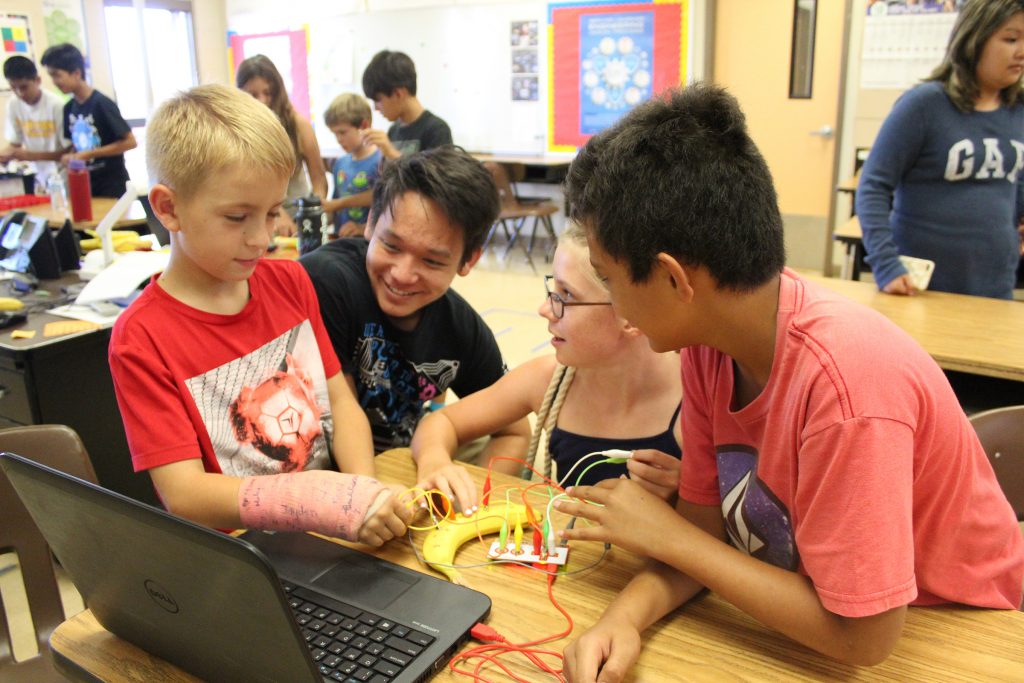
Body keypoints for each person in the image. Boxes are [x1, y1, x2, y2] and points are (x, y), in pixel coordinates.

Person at [553, 83, 1024, 681]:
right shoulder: (707, 344)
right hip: (820, 614)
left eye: (609, 278)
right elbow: (705, 536)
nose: (616, 306)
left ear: (674, 279)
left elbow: (867, 637)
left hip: (958, 637)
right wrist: (623, 617)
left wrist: (669, 538)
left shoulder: (847, 389)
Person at [108, 84, 410, 547]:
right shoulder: (142, 337)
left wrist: (361, 491)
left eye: (272, 213)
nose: (260, 239)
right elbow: (184, 493)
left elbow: (340, 403)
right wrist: (322, 503)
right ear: (168, 208)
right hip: (246, 556)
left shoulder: (289, 282)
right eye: (236, 217)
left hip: (335, 527)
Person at [410, 223, 682, 513]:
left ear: (631, 314)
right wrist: (435, 463)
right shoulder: (549, 379)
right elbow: (440, 423)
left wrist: (683, 496)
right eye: (553, 289)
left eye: (565, 295)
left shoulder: (694, 399)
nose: (544, 309)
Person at [300, 146, 530, 486]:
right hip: (331, 476)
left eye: (432, 261)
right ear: (370, 224)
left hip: (406, 460)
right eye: (391, 246)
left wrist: (475, 504)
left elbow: (514, 432)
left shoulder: (461, 328)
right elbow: (340, 417)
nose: (403, 274)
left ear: (469, 260)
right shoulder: (327, 281)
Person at [856, 0, 1024, 299]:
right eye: (1011, 39)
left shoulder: (1019, 111)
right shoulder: (924, 105)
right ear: (975, 38)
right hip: (919, 288)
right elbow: (872, 186)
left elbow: (1017, 180)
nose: (1021, 52)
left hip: (995, 283)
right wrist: (886, 264)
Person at [236, 54, 328, 234]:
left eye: (267, 93)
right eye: (253, 95)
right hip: (259, 217)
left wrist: (313, 210)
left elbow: (319, 179)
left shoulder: (299, 125)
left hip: (300, 216)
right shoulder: (238, 131)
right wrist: (276, 213)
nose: (262, 100)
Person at [40, 43, 136, 198]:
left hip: (112, 185)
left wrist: (89, 154)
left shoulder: (101, 103)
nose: (54, 82)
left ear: (77, 73)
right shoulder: (68, 108)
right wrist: (71, 156)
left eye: (57, 75)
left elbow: (130, 142)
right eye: (51, 76)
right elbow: (75, 146)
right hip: (86, 185)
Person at [361, 50, 453, 159]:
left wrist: (391, 153)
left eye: (378, 100)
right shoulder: (393, 131)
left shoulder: (437, 130)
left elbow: (437, 175)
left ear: (398, 94)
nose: (375, 108)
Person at [0, 55, 68, 189]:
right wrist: (6, 155)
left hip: (62, 175)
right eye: (14, 88)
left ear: (37, 80)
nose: (20, 93)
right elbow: (15, 144)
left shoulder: (57, 105)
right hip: (39, 176)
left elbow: (67, 152)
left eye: (24, 87)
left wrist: (29, 155)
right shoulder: (13, 104)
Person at [322, 93, 381, 238]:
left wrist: (362, 229)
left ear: (364, 126)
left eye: (343, 132)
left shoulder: (380, 161)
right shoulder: (340, 164)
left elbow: (383, 202)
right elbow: (334, 208)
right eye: (335, 134)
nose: (339, 139)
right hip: (339, 239)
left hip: (366, 242)